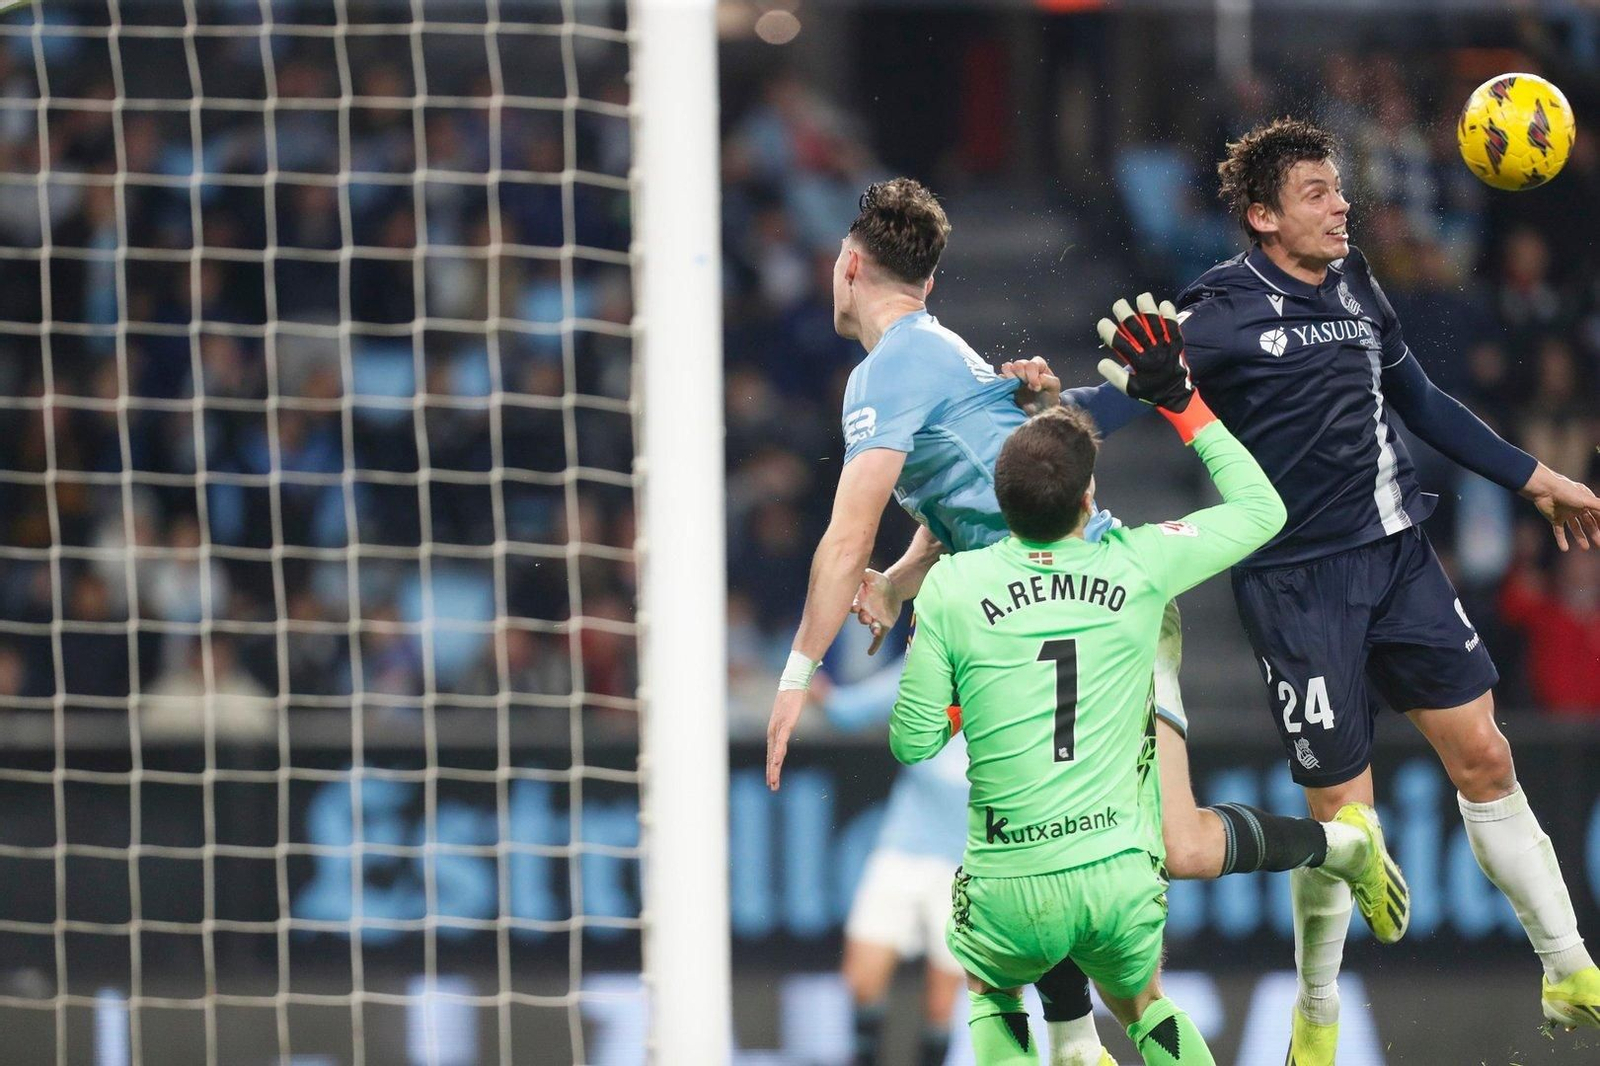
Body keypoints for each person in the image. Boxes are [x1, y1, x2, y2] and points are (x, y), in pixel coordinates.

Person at [764, 177, 1399, 1065]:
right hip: (1029, 616)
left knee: (1171, 850)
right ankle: (1074, 1041)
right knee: (1066, 893)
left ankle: (1339, 847)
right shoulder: (941, 357)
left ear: (848, 264)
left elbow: (843, 537)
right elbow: (979, 494)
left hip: (1100, 612)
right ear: (930, 282)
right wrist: (908, 579)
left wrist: (797, 677)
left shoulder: (888, 371)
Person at [1128, 117, 1600, 1062]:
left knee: (1488, 759)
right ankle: (1316, 1008)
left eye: (1339, 188)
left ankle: (1568, 960)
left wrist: (1532, 476)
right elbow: (1129, 386)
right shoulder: (1219, 309)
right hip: (1295, 589)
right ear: (1263, 217)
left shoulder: (1353, 282)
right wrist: (1048, 397)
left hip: (1397, 557)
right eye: (1316, 194)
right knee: (1347, 825)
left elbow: (1417, 399)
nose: (1343, 206)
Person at [887, 370, 1284, 1065]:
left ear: (1000, 503)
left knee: (990, 987)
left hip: (1011, 882)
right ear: (1089, 497)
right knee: (1142, 1002)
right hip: (1118, 882)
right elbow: (1262, 510)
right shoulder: (1139, 564)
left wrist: (962, 695)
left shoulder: (950, 588)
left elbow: (912, 741)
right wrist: (1184, 405)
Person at [816, 660, 968, 1065]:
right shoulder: (929, 664)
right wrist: (804, 672)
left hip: (972, 865)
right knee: (861, 981)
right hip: (905, 847)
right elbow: (845, 712)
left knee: (941, 1004)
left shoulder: (1022, 677)